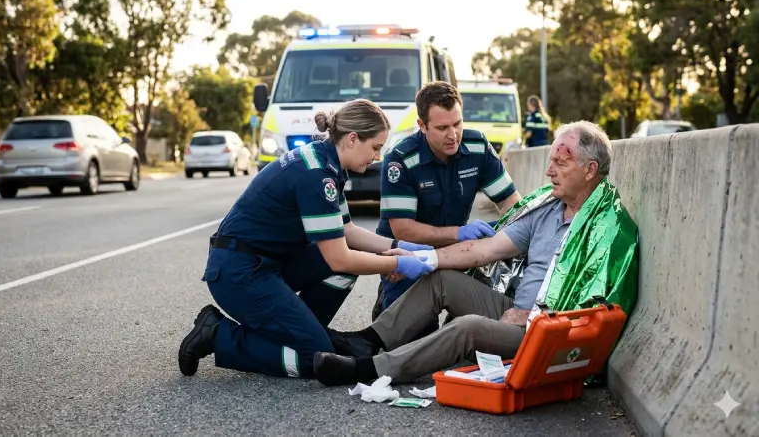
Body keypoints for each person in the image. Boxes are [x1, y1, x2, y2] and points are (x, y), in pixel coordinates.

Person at [313, 120, 640, 386]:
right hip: (516, 312)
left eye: (561, 162)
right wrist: (420, 260)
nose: (549, 170)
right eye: (550, 160)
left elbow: (597, 311)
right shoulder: (548, 208)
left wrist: (533, 318)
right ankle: (369, 339)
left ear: (589, 169)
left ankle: (367, 369)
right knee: (441, 279)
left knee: (467, 327)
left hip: (543, 332)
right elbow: (485, 250)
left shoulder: (611, 227)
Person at [177, 98, 436, 380]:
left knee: (343, 269)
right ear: (352, 139)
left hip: (265, 264)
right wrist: (395, 265)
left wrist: (399, 247)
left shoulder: (326, 162)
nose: (377, 157)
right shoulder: (317, 175)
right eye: (375, 147)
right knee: (317, 358)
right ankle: (217, 334)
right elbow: (337, 257)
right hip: (240, 274)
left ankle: (302, 327)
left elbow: (347, 231)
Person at [370, 81, 522, 326]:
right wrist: (459, 233)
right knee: (413, 344)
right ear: (422, 126)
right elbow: (403, 229)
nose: (453, 135)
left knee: (510, 235)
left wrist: (507, 241)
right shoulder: (401, 160)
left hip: (455, 252)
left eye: (457, 124)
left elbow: (511, 203)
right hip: (409, 254)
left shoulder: (477, 146)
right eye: (442, 128)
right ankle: (389, 303)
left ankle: (457, 317)